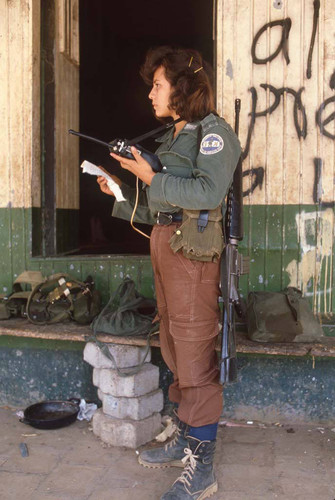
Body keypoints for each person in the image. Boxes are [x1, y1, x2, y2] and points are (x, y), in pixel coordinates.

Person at [97, 46, 241, 500]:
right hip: (165, 245)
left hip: (192, 255)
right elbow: (157, 204)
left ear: (181, 88)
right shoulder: (171, 137)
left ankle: (202, 470)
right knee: (174, 345)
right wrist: (121, 190)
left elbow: (208, 190)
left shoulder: (214, 133)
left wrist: (152, 176)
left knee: (194, 347)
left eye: (157, 85)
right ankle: (184, 438)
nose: (150, 94)